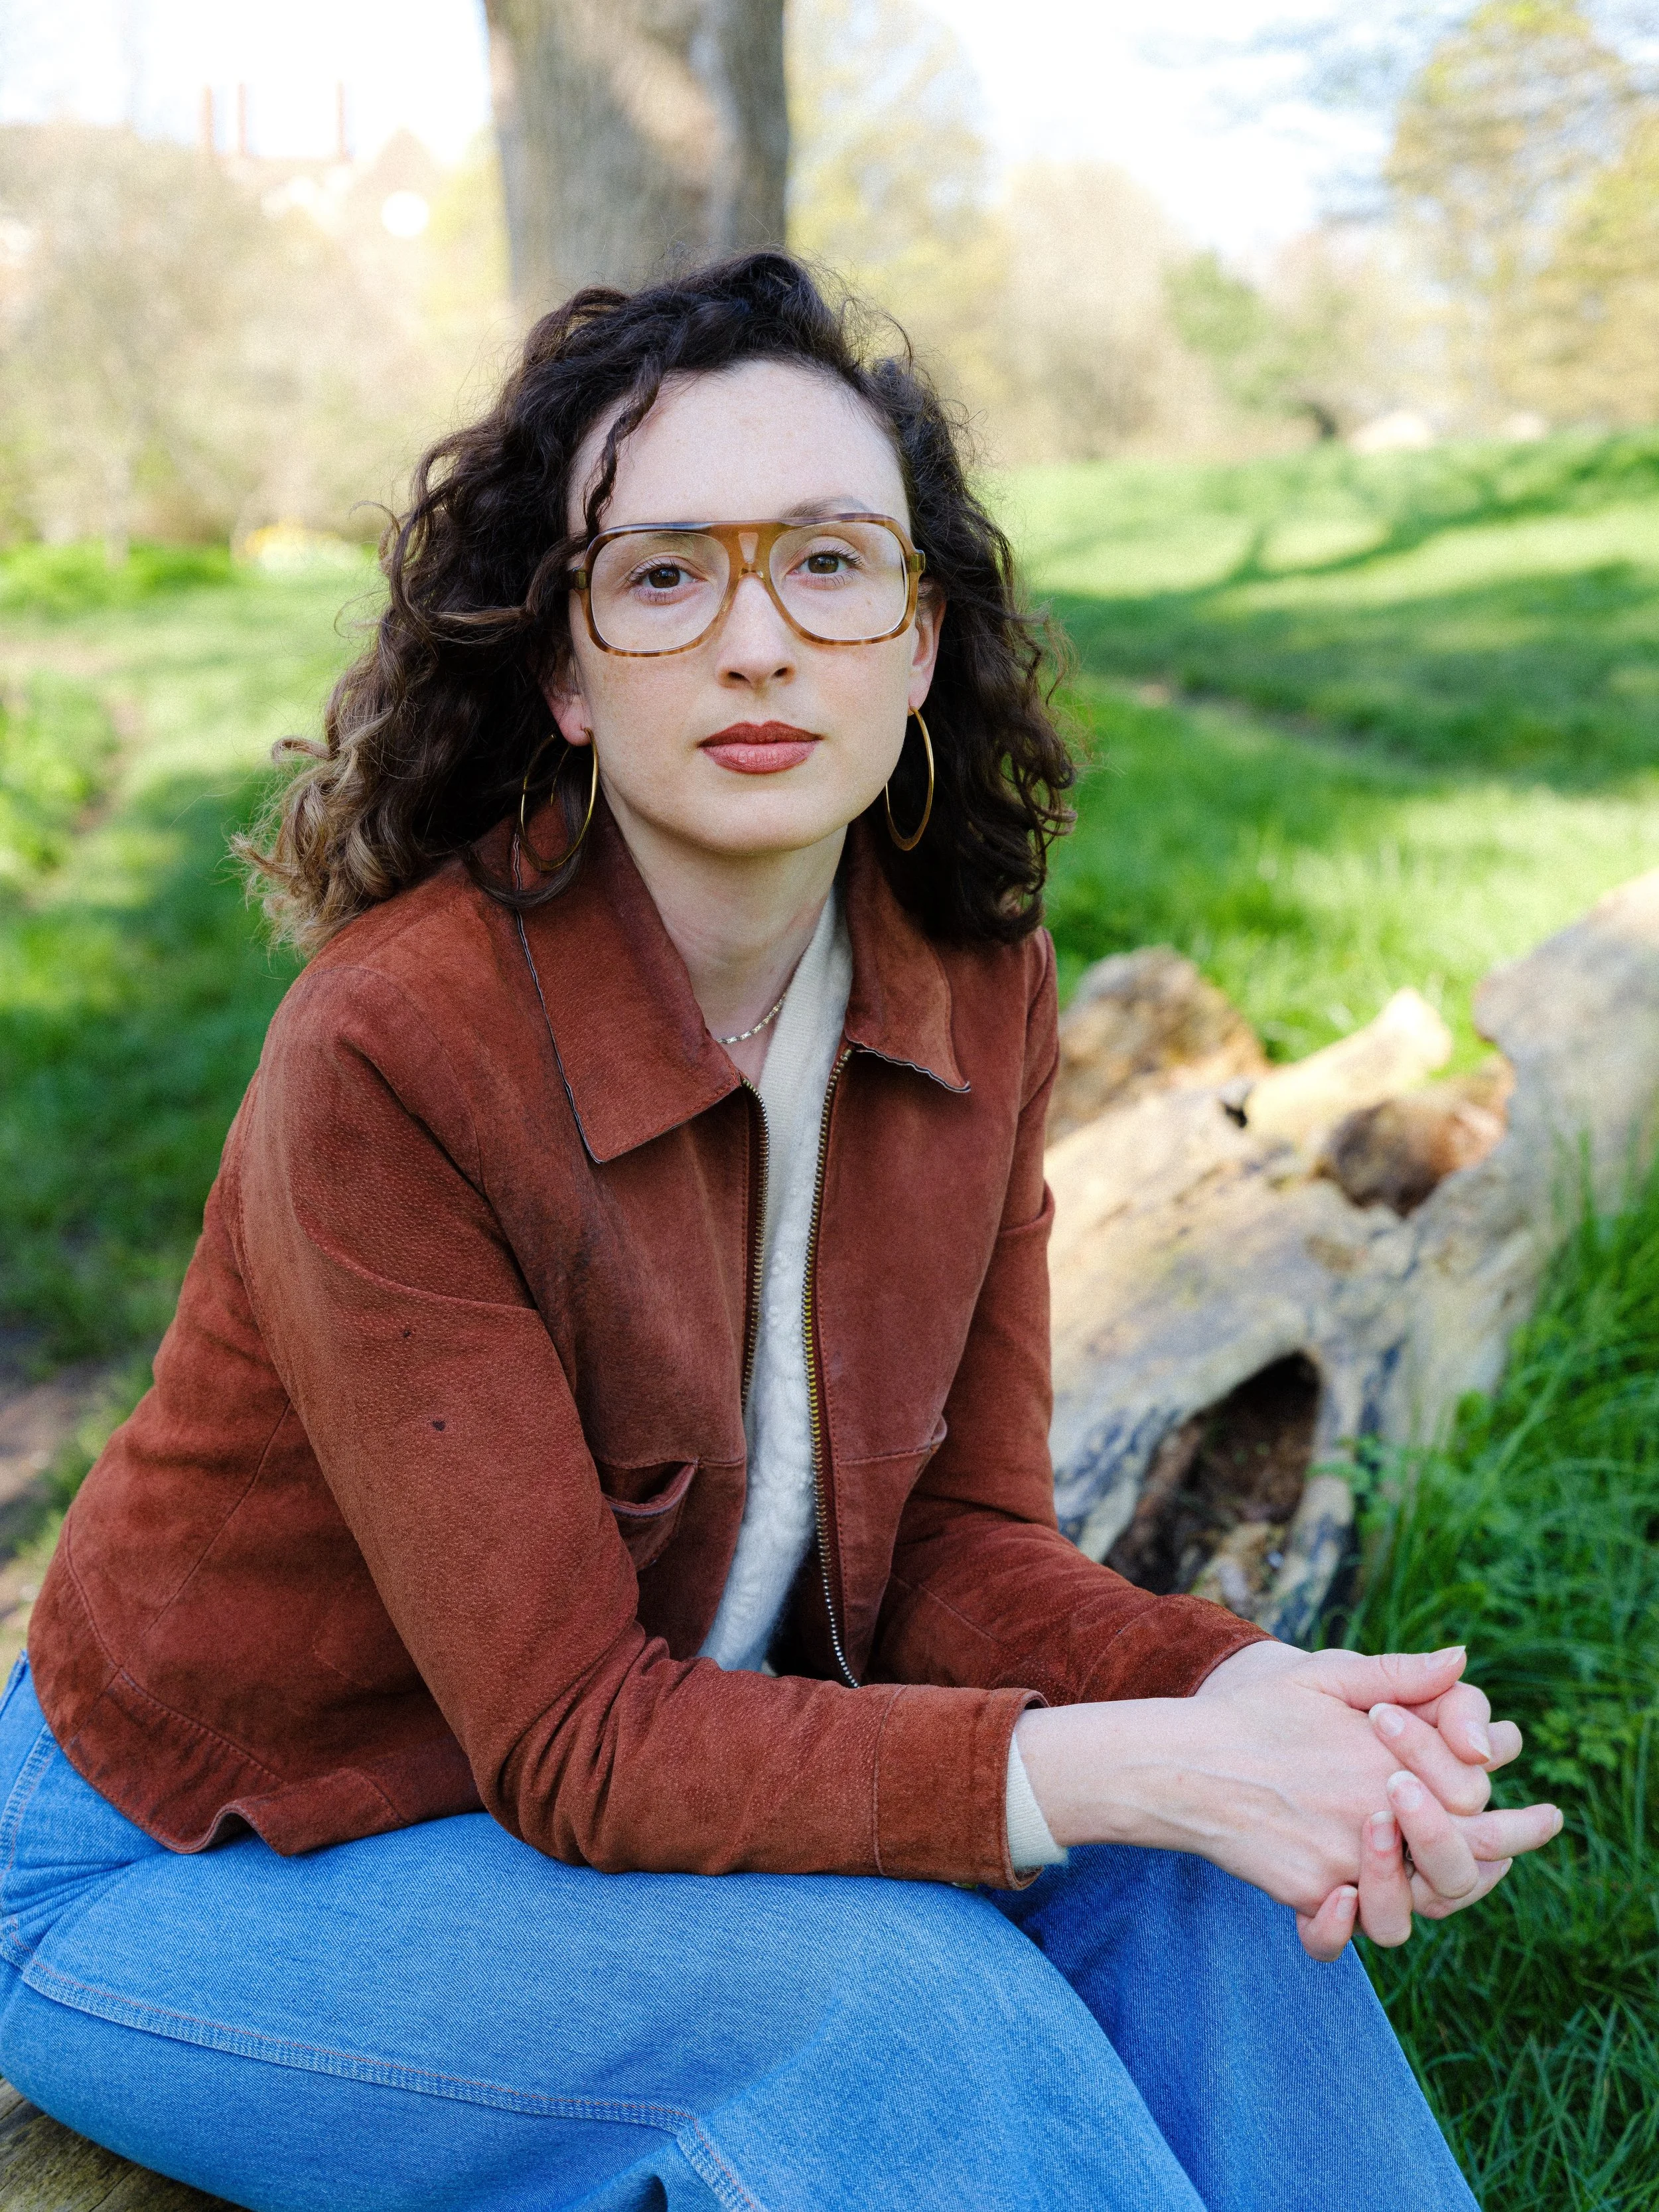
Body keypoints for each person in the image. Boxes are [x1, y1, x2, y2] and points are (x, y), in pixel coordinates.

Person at [0, 252, 1558, 2212]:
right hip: (198, 1872)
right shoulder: (395, 1054)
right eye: (664, 577)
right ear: (563, 674)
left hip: (601, 1809)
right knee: (894, 2008)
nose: (758, 640)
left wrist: (1225, 1694)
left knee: (1208, 1880)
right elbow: (573, 1737)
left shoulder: (968, 981)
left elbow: (957, 1553)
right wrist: (1118, 1758)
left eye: (829, 561)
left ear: (918, 638)